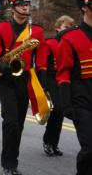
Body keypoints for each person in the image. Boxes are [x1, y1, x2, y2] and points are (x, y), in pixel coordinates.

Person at [0, 0, 47, 174]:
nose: (26, 7)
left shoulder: (36, 31)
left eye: (28, 4)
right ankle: (8, 164)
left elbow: (42, 61)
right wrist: (4, 68)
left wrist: (44, 85)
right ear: (13, 8)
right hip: (5, 79)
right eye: (22, 4)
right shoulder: (1, 28)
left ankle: (13, 160)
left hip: (25, 80)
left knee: (18, 124)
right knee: (11, 121)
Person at [56, 0, 92, 174]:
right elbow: (63, 74)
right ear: (85, 8)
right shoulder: (70, 38)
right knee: (89, 148)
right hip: (82, 102)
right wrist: (66, 104)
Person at [42, 15, 75, 157]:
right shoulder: (49, 43)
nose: (68, 30)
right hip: (52, 80)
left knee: (61, 113)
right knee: (58, 109)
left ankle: (53, 144)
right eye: (65, 27)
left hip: (65, 81)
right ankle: (48, 141)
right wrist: (44, 87)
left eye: (70, 27)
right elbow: (43, 65)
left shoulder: (71, 43)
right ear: (57, 28)